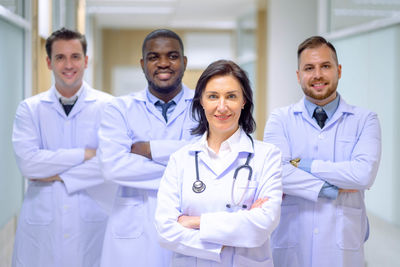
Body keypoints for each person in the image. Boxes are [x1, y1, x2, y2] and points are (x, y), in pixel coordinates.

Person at [263, 36, 381, 267]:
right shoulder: (280, 119)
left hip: (343, 248)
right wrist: (330, 188)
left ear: (338, 70)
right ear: (299, 76)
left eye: (325, 66)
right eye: (309, 68)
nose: (317, 75)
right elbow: (277, 173)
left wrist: (303, 164)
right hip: (292, 244)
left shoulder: (365, 120)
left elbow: (363, 174)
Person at [155, 59, 283, 266]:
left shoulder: (267, 156)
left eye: (231, 96)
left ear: (244, 101)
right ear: (202, 101)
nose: (222, 107)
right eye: (213, 96)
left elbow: (263, 224)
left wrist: (196, 222)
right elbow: (165, 231)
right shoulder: (181, 159)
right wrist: (223, 244)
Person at [11, 28, 113, 267]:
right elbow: (28, 164)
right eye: (60, 57)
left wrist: (51, 173)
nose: (69, 64)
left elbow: (110, 163)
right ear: (49, 62)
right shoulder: (30, 109)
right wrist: (85, 155)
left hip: (92, 222)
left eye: (75, 56)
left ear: (86, 60)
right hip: (41, 225)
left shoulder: (110, 107)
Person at [98, 29, 197, 267]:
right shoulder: (118, 109)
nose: (163, 63)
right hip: (134, 232)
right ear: (143, 64)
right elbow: (113, 167)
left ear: (184, 62)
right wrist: (185, 164)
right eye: (154, 57)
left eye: (172, 56)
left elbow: (212, 158)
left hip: (187, 227)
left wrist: (148, 149)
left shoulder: (204, 106)